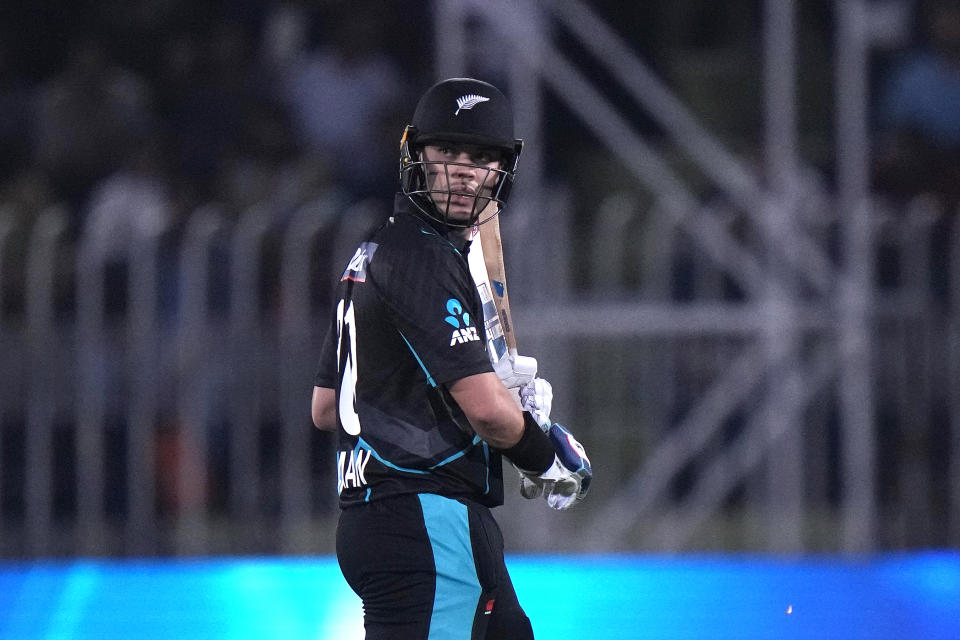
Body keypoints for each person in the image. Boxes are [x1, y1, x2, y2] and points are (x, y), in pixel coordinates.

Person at [311, 77, 592, 639]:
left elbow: (324, 406)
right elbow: (486, 413)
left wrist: (484, 385)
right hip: (423, 514)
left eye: (482, 156)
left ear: (501, 169)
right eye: (447, 152)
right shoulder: (424, 256)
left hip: (390, 518)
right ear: (415, 155)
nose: (464, 170)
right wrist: (544, 452)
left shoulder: (373, 251)